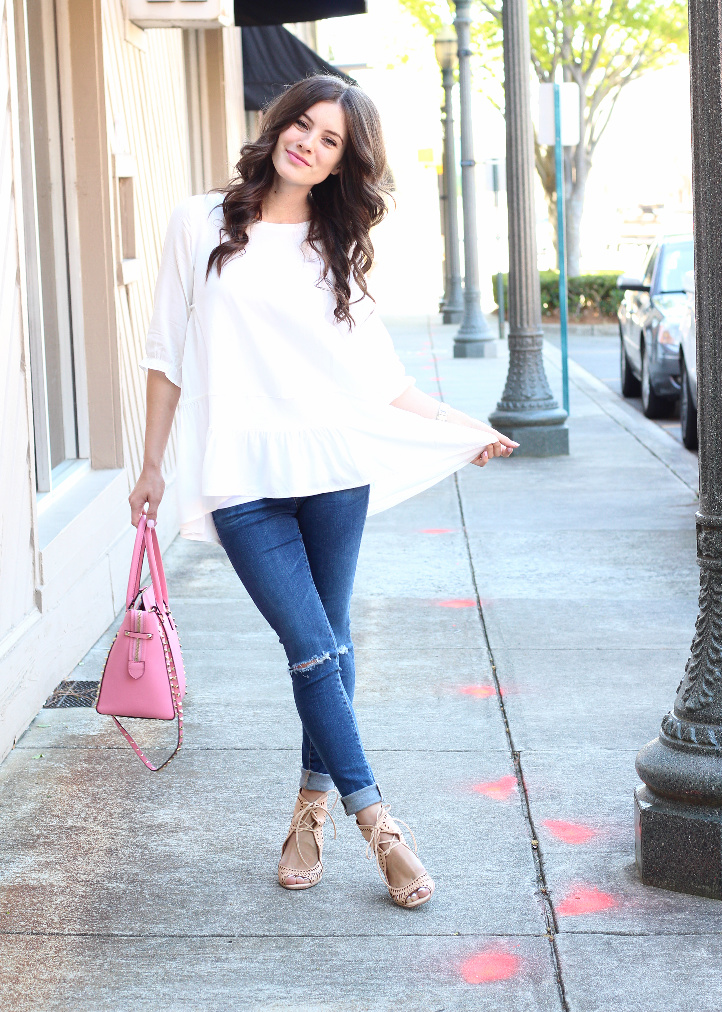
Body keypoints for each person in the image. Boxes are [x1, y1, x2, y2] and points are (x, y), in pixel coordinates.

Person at [129, 75, 516, 910]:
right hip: (240, 481)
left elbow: (386, 384)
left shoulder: (334, 250)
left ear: (344, 163)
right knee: (312, 648)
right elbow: (165, 354)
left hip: (334, 474)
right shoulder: (198, 223)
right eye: (303, 124)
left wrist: (465, 427)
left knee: (329, 649)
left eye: (330, 139)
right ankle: (381, 826)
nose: (308, 142)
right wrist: (152, 464)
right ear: (278, 126)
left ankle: (309, 813)